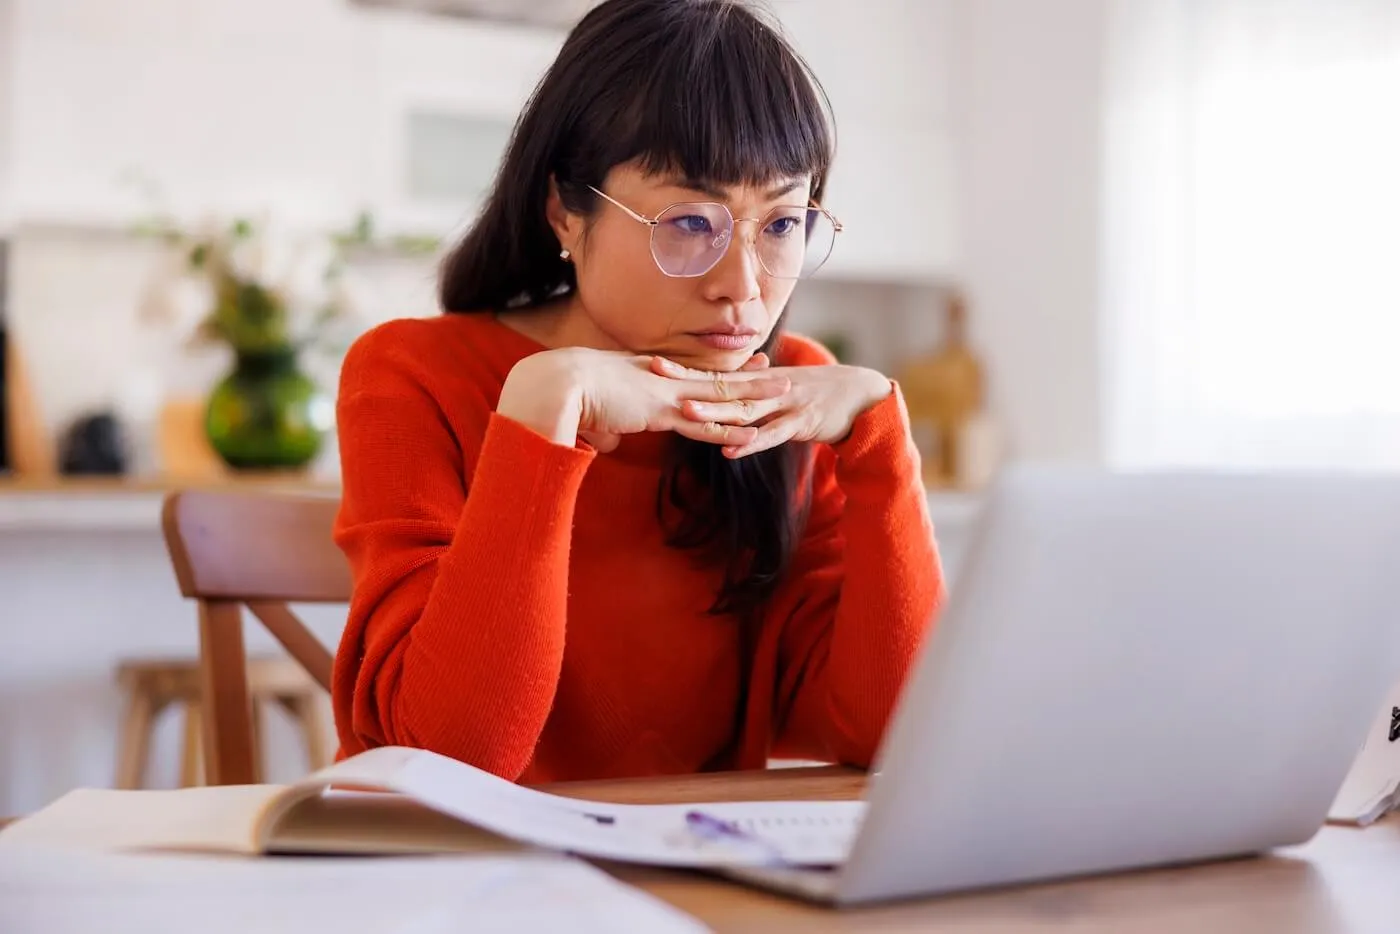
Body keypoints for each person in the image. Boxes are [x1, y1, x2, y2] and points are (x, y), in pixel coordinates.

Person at [330, 0, 946, 783]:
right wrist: (540, 424)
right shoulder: (412, 374)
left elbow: (898, 743)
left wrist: (880, 447)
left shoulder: (788, 402)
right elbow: (455, 761)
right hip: (456, 888)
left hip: (689, 882)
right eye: (690, 221)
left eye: (783, 223)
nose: (743, 288)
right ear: (564, 209)